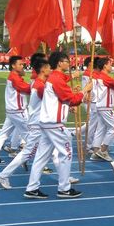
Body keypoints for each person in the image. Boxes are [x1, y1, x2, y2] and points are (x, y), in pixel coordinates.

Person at [24, 51, 91, 199]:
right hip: (54, 124)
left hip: (47, 123)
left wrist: (75, 92)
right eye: (67, 61)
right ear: (60, 63)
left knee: (41, 157)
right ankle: (64, 188)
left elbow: (64, 97)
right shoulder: (56, 79)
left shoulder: (54, 78)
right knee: (66, 154)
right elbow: (72, 99)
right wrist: (84, 91)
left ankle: (32, 188)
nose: (70, 63)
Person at [0, 58, 63, 189]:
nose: (51, 70)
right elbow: (54, 99)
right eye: (49, 68)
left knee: (54, 151)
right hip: (38, 125)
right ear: (43, 69)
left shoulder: (37, 83)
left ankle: (64, 178)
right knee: (28, 153)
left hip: (40, 124)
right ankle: (4, 175)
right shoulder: (39, 86)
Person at [0, 56, 31, 164]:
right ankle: (27, 158)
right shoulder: (15, 78)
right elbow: (27, 89)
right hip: (18, 111)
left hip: (11, 111)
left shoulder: (14, 76)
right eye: (20, 64)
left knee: (3, 135)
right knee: (31, 136)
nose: (22, 66)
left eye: (22, 64)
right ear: (13, 65)